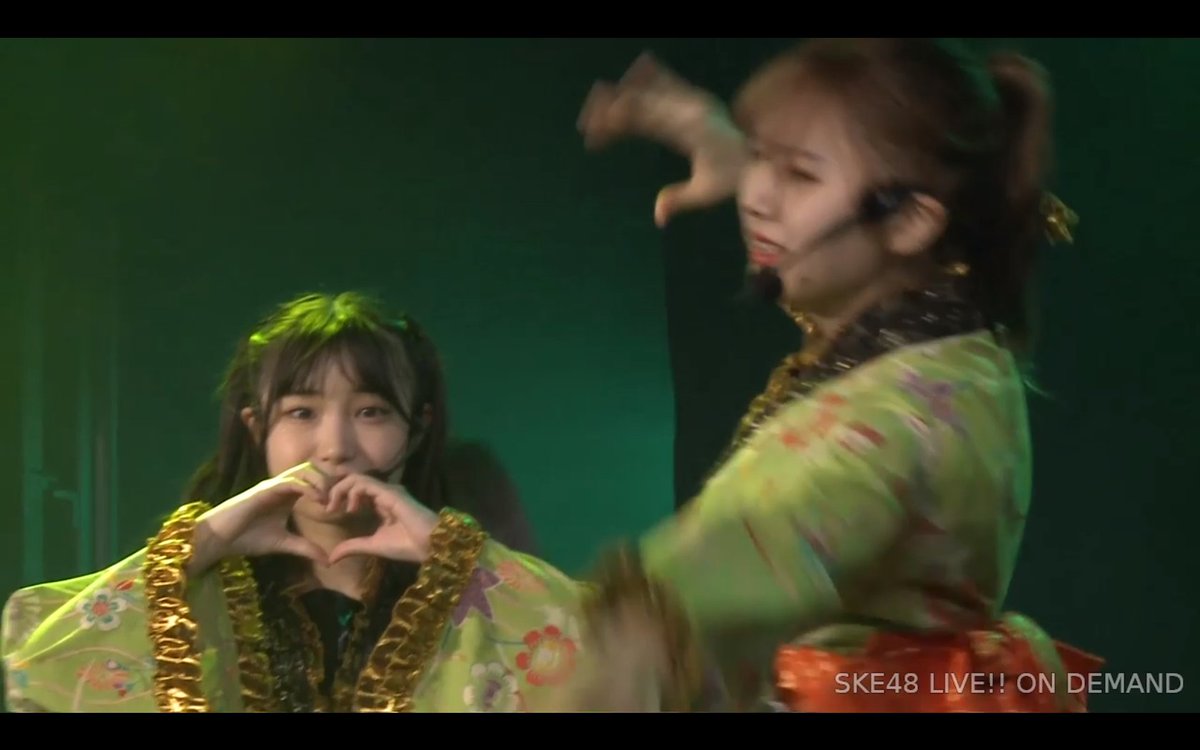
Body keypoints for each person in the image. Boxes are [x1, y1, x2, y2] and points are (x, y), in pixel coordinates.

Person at [561, 38, 1102, 712]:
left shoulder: (901, 419)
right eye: (760, 158)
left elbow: (767, 536)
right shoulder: (938, 342)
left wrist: (641, 633)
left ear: (910, 221)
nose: (757, 197)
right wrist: (754, 160)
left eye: (800, 175)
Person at [2, 291, 587, 713]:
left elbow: (600, 649)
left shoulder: (464, 594)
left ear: (417, 428)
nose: (335, 447)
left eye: (371, 412)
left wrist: (454, 557)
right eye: (301, 413)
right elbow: (36, 666)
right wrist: (202, 543)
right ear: (257, 427)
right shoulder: (204, 590)